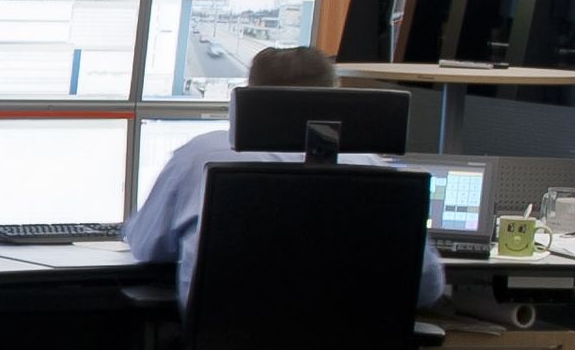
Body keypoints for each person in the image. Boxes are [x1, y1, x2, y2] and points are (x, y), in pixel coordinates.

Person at [121, 44, 447, 308]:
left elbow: (148, 247)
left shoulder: (201, 155)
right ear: (339, 97)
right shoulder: (377, 170)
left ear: (247, 100)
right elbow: (427, 286)